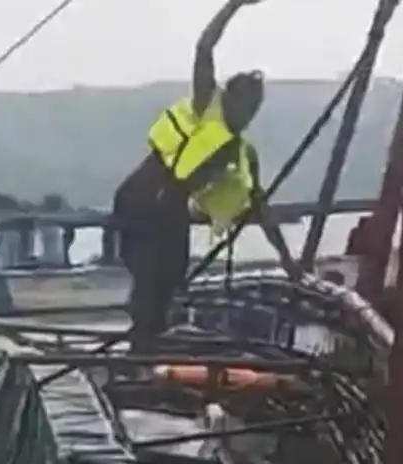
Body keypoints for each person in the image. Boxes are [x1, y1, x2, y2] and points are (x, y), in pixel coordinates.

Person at [113, 0, 299, 350]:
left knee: (172, 283)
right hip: (142, 197)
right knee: (150, 282)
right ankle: (139, 355)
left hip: (171, 209)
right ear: (229, 98)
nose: (248, 113)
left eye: (255, 108)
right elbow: (204, 46)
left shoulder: (242, 153)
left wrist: (289, 263)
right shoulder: (205, 106)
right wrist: (234, 6)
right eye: (244, 104)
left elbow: (262, 208)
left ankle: (152, 352)